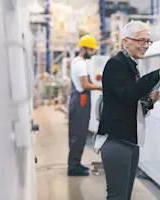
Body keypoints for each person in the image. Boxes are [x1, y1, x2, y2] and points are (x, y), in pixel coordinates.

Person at [96, 20, 160, 200]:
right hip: (116, 140)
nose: (145, 46)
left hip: (130, 140)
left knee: (124, 195)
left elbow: (130, 104)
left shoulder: (130, 66)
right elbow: (129, 95)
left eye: (147, 41)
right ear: (125, 41)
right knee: (118, 196)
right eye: (141, 41)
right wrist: (157, 75)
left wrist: (148, 102)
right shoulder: (116, 64)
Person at [67, 34, 102, 176]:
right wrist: (101, 88)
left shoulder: (76, 61)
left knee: (78, 134)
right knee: (78, 134)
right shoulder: (81, 64)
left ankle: (75, 163)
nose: (93, 52)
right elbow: (85, 85)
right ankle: (73, 167)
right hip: (81, 100)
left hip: (78, 99)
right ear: (84, 48)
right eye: (92, 50)